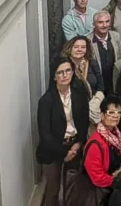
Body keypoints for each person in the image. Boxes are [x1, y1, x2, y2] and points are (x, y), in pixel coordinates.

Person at [36, 56, 89, 206]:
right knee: (53, 191)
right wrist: (64, 153)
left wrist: (78, 144)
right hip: (53, 150)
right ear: (54, 76)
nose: (65, 75)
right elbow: (45, 135)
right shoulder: (46, 101)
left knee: (72, 187)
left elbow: (84, 121)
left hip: (74, 145)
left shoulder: (79, 93)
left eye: (68, 71)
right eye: (60, 72)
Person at [84, 95, 121, 198]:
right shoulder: (95, 143)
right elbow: (97, 177)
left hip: (116, 188)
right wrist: (119, 181)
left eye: (119, 112)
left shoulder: (117, 135)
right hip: (101, 193)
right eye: (111, 112)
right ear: (102, 115)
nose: (116, 116)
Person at [89, 11, 121, 95]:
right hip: (98, 85)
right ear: (94, 24)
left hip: (115, 82)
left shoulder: (116, 36)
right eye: (100, 22)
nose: (104, 25)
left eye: (107, 21)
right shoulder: (88, 40)